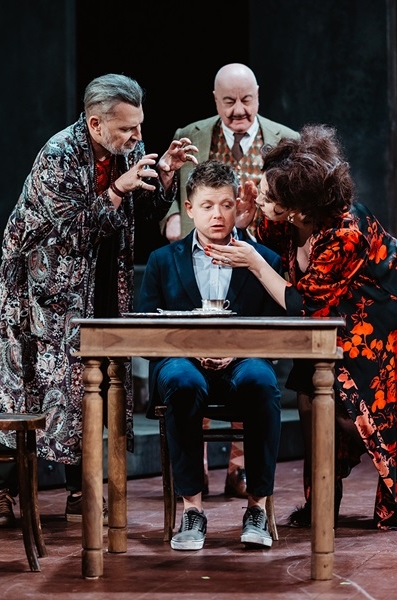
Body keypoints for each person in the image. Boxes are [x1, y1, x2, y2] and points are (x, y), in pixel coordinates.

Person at [205, 124, 397, 531]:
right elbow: (269, 234)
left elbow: (303, 304)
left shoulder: (344, 233)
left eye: (267, 196)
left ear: (298, 209)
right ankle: (321, 500)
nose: (259, 196)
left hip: (386, 307)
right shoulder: (295, 213)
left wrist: (255, 263)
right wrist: (247, 220)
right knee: (308, 388)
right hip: (336, 307)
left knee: (359, 408)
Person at [0, 73, 197, 528]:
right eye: (127, 128)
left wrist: (164, 177)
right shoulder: (58, 155)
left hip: (96, 278)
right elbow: (73, 231)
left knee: (86, 380)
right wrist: (117, 189)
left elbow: (141, 213)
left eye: (139, 126)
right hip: (38, 287)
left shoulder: (128, 150)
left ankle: (81, 489)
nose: (137, 136)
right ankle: (1, 489)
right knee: (22, 381)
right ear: (95, 123)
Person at [161, 63, 298, 498]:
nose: (238, 110)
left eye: (246, 100)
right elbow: (177, 198)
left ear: (258, 95)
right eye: (229, 102)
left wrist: (260, 243)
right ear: (215, 101)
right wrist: (173, 218)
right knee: (195, 357)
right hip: (199, 258)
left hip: (257, 263)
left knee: (247, 362)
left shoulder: (286, 140)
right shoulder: (191, 135)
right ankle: (196, 468)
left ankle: (240, 468)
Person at [137, 160, 285, 550]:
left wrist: (235, 350)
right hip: (182, 361)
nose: (217, 214)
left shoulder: (264, 260)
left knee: (262, 381)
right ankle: (192, 510)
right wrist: (191, 349)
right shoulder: (162, 260)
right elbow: (145, 329)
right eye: (207, 206)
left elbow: (277, 330)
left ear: (238, 205)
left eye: (225, 204)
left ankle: (257, 507)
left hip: (243, 360)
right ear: (189, 209)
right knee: (182, 381)